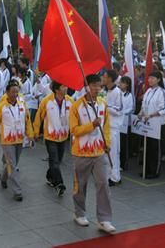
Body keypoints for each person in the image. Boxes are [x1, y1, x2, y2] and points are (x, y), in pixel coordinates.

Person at [69, 74, 115, 233]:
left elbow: (107, 127)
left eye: (99, 86)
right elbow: (74, 130)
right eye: (94, 85)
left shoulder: (103, 104)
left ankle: (104, 219)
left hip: (99, 152)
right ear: (86, 86)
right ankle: (79, 213)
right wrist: (91, 125)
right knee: (80, 185)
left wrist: (107, 144)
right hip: (81, 153)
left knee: (103, 184)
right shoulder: (76, 106)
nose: (97, 89)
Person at [0, 81, 34, 201]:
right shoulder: (1, 107)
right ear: (7, 92)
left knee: (12, 163)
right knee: (13, 166)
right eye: (13, 91)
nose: (15, 94)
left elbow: (27, 121)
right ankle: (17, 191)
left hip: (19, 139)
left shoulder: (22, 105)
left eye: (17, 91)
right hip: (7, 141)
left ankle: (3, 178)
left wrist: (30, 136)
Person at [33, 81, 74, 196]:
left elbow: (75, 117)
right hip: (50, 136)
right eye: (63, 86)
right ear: (56, 89)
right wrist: (36, 132)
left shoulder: (70, 101)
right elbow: (38, 117)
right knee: (54, 160)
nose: (66, 87)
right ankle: (59, 184)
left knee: (57, 161)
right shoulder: (46, 101)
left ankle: (50, 176)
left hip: (63, 136)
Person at [138, 71, 165, 179]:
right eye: (149, 78)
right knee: (147, 146)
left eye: (153, 78)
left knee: (155, 148)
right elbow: (144, 104)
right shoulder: (148, 91)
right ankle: (146, 170)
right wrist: (141, 112)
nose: (150, 80)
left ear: (159, 80)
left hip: (157, 123)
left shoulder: (162, 92)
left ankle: (154, 171)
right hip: (147, 123)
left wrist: (151, 115)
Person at [103, 70, 124, 186]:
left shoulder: (118, 92)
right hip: (105, 127)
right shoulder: (105, 91)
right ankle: (108, 175)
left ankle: (115, 177)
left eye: (104, 77)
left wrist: (106, 106)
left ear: (110, 79)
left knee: (113, 153)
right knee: (106, 152)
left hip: (113, 127)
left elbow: (120, 110)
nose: (102, 78)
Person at [119, 76, 134, 170]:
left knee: (123, 144)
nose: (120, 84)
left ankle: (123, 164)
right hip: (116, 121)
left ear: (127, 85)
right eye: (120, 82)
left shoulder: (129, 95)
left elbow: (131, 109)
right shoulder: (117, 93)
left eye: (123, 83)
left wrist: (122, 112)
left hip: (124, 122)